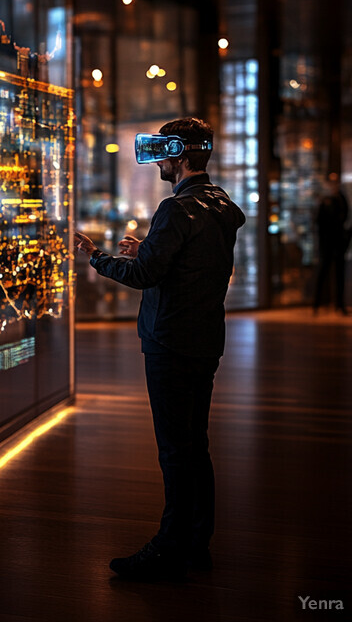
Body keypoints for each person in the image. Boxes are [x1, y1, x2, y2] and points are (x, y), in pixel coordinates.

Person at [74, 117, 245, 582]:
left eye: (162, 154)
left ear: (179, 154)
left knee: (174, 450)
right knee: (195, 446)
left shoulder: (175, 210)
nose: (158, 164)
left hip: (169, 341)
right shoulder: (221, 206)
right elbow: (187, 264)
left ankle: (169, 546)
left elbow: (146, 276)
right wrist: (146, 249)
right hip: (204, 340)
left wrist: (97, 257)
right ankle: (195, 542)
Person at [312, 173, 349, 315]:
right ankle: (316, 304)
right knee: (323, 272)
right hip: (328, 243)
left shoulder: (340, 198)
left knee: (339, 274)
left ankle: (339, 305)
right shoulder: (325, 201)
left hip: (338, 243)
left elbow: (345, 218)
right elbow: (320, 223)